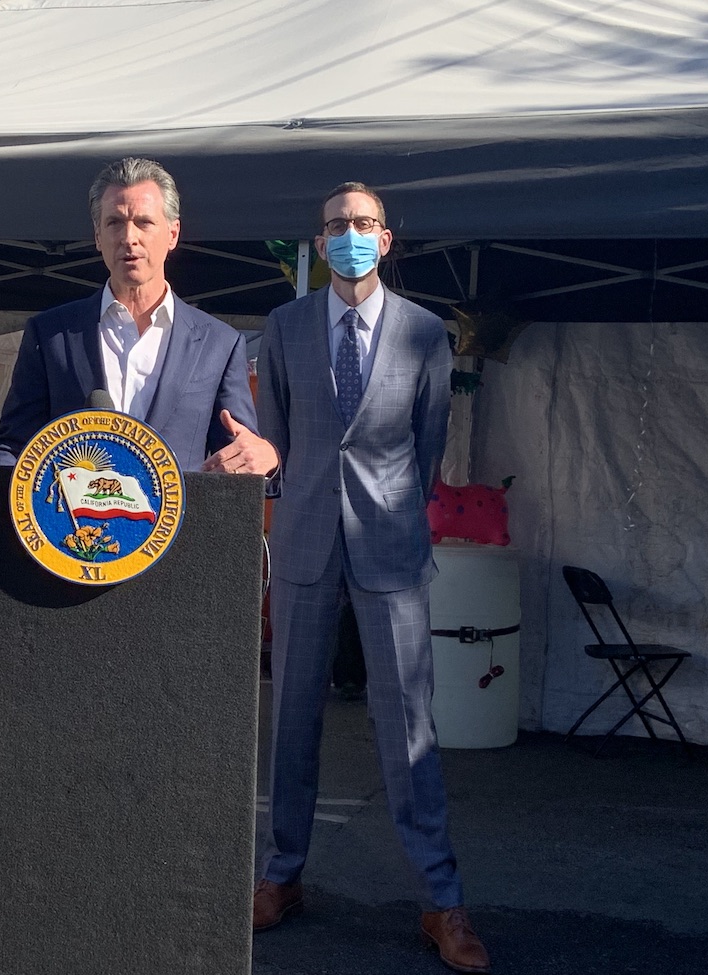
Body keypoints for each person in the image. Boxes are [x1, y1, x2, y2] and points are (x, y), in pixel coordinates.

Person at [254, 183, 489, 973]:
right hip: (304, 542)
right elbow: (278, 441)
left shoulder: (424, 331)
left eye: (362, 223)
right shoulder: (284, 327)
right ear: (319, 242)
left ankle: (441, 898)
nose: (348, 234)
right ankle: (282, 874)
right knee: (291, 719)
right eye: (335, 225)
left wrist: (389, 509)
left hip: (391, 546)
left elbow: (428, 443)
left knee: (409, 727)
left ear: (385, 239)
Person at [0, 156, 277, 475]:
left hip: (182, 509)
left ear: (173, 234)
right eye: (115, 223)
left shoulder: (218, 344)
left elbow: (240, 455)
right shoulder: (52, 335)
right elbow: (12, 447)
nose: (129, 237)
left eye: (144, 222)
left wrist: (267, 459)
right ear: (98, 236)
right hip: (72, 506)